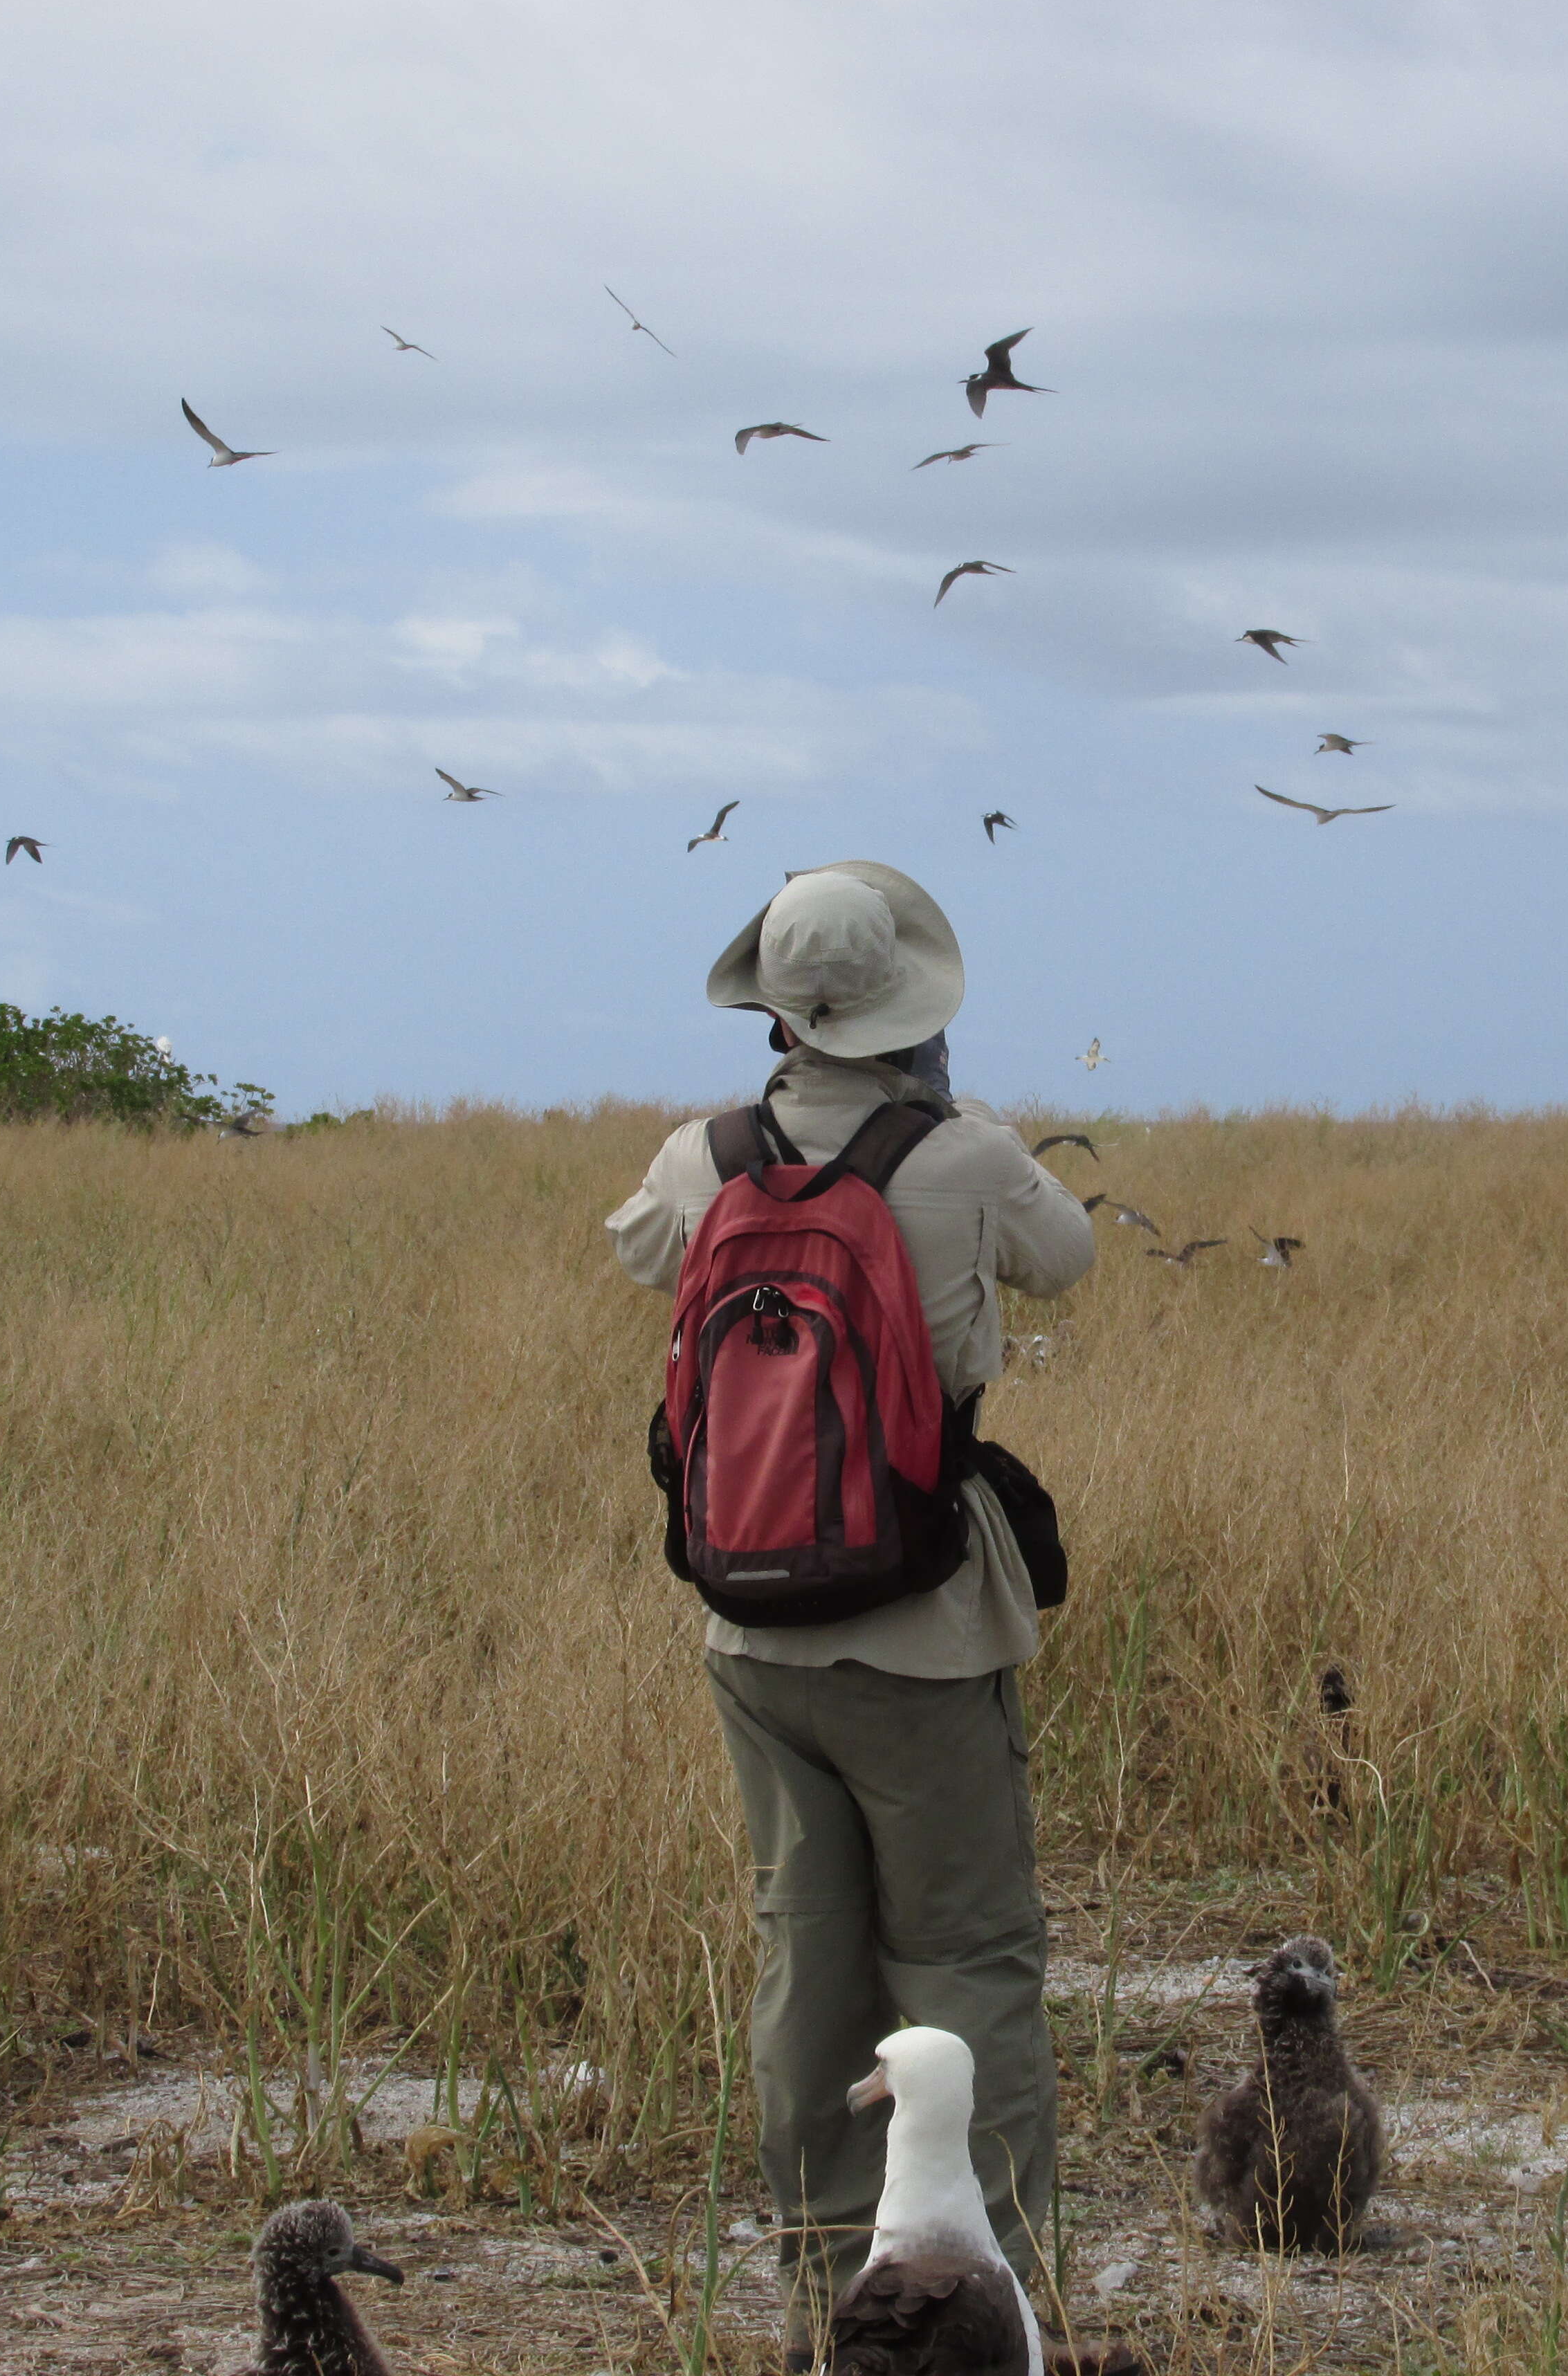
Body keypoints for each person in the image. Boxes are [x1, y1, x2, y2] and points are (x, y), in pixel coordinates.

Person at [606, 860, 1095, 2347]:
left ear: (775, 1007)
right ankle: (985, 2298)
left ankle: (837, 2293)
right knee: (965, 1961)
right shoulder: (961, 1151)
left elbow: (637, 1248)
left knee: (807, 1957)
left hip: (750, 1627)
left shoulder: (707, 1154)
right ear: (910, 1004)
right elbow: (1067, 1258)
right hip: (925, 1627)